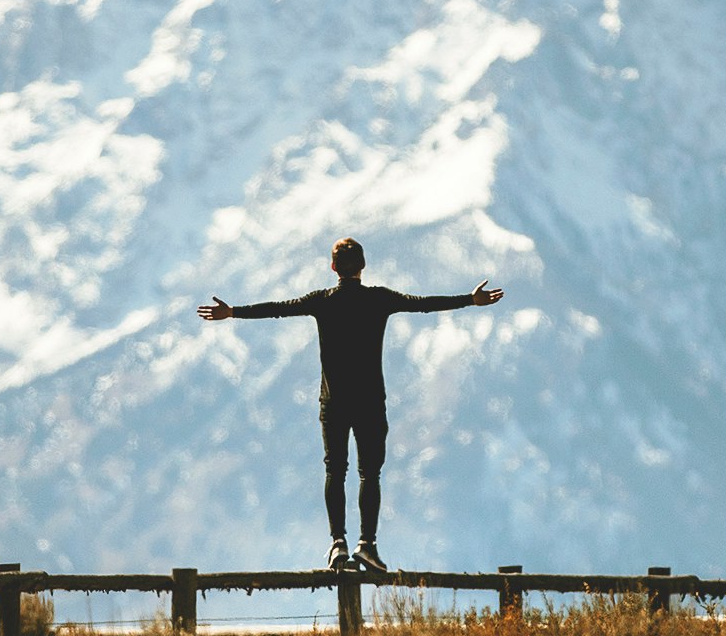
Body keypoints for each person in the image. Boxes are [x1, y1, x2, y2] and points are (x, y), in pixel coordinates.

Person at [197, 237, 505, 574]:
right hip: (371, 402)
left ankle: (338, 544)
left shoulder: (322, 301)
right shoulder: (379, 298)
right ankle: (367, 545)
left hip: (334, 403)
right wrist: (470, 301)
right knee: (369, 474)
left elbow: (278, 308)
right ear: (363, 266)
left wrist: (233, 312)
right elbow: (424, 303)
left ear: (332, 268)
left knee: (335, 470)